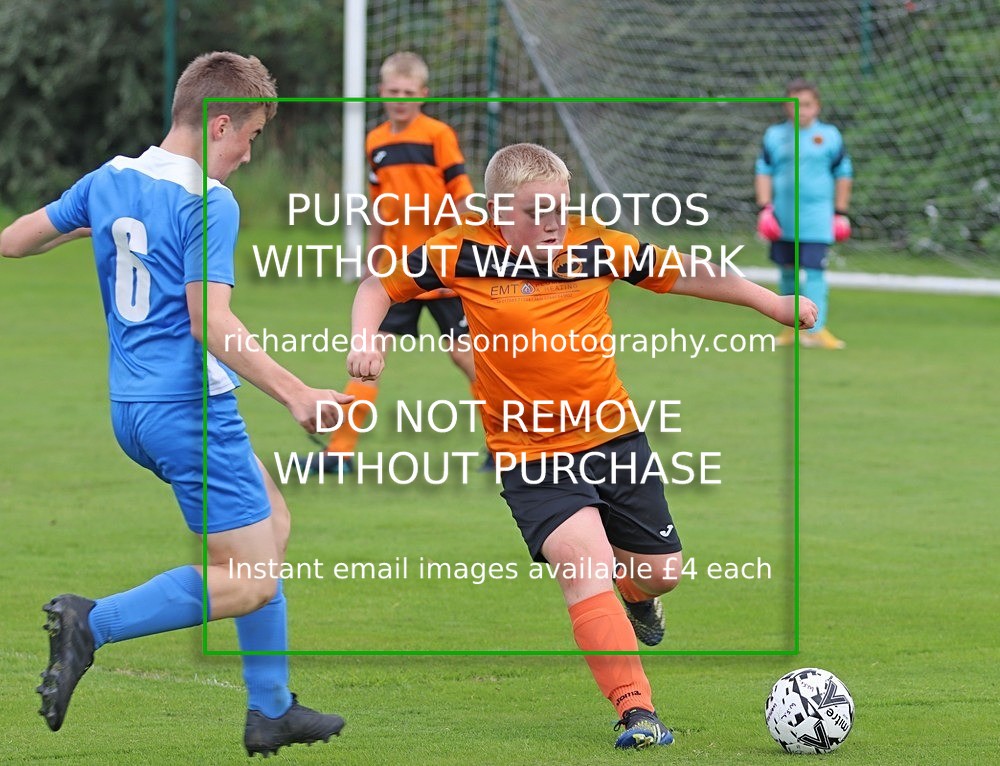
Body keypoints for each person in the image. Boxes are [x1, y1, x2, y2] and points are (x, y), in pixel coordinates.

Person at [346, 143, 818, 749]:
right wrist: (367, 339)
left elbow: (689, 271)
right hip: (529, 453)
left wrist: (772, 302)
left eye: (559, 210)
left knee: (661, 574)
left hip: (616, 439)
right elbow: (376, 286)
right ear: (496, 211)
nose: (551, 224)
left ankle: (636, 593)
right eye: (535, 212)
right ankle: (637, 713)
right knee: (583, 563)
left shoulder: (596, 246)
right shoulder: (459, 250)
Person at [0, 52, 350, 756]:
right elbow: (210, 323)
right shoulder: (209, 201)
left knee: (271, 525)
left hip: (132, 407)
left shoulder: (111, 180)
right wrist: (298, 394)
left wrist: (97, 221)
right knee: (250, 581)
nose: (250, 156)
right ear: (220, 122)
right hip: (188, 410)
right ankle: (93, 623)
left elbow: (14, 240)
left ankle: (272, 709)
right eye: (249, 138)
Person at [318, 51, 482, 474]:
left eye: (408, 93)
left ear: (423, 95)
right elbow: (379, 207)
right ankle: (339, 453)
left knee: (467, 359)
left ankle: (507, 446)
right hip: (400, 272)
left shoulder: (438, 135)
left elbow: (463, 196)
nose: (400, 100)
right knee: (369, 354)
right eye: (393, 92)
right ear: (381, 92)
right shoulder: (376, 141)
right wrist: (374, 259)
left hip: (444, 271)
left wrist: (472, 252)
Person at [755, 78, 853, 349]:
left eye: (807, 104)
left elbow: (843, 174)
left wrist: (840, 212)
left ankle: (816, 330)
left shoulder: (830, 136)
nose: (801, 110)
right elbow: (763, 170)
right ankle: (790, 327)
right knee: (786, 271)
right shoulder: (774, 136)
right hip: (782, 219)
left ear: (817, 106)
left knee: (814, 271)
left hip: (818, 219)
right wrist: (764, 209)